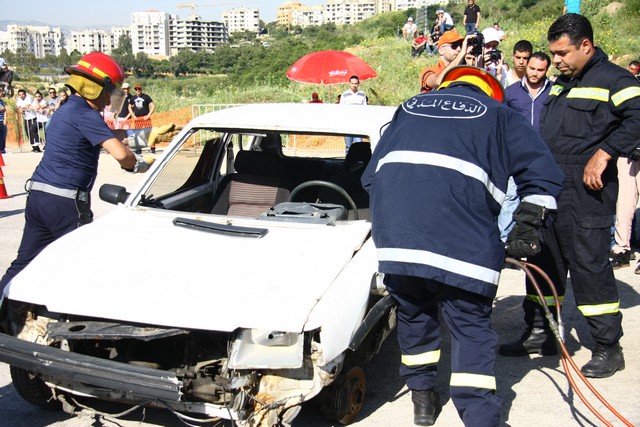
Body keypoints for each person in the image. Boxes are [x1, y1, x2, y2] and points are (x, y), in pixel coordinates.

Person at [362, 65, 563, 427]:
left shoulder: (409, 107)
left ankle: (423, 402)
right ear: (490, 92)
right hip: (463, 242)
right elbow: (543, 174)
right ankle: (481, 419)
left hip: (398, 241)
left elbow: (370, 176)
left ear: (448, 85)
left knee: (414, 314)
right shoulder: (500, 114)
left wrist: (398, 224)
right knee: (470, 328)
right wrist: (528, 225)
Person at [499, 13, 640, 379]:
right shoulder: (562, 84)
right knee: (542, 263)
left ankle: (608, 347)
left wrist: (606, 151)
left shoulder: (614, 79)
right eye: (552, 54)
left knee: (589, 269)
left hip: (586, 193)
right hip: (550, 187)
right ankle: (540, 334)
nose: (555, 61)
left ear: (586, 46)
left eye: (562, 53)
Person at [0, 52, 155, 301]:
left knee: (23, 263)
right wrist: (137, 164)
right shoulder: (87, 115)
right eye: (109, 89)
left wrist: (136, 136)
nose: (110, 97)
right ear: (97, 88)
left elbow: (103, 135)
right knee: (82, 263)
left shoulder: (67, 109)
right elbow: (120, 154)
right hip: (65, 202)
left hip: (39, 196)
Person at [499, 52, 553, 241]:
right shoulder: (511, 92)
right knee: (511, 197)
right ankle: (504, 241)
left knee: (540, 199)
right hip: (516, 155)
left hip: (544, 156)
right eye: (532, 68)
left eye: (540, 70)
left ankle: (535, 241)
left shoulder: (554, 92)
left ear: (547, 70)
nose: (535, 73)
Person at [339, 75, 367, 153]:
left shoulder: (362, 94)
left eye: (356, 83)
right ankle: (347, 163)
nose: (354, 85)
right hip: (348, 123)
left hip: (358, 123)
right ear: (349, 83)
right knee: (348, 146)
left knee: (359, 145)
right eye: (352, 83)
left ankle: (359, 163)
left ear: (358, 84)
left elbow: (365, 109)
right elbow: (341, 110)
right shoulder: (345, 95)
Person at [0, 88, 7, 154]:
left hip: (2, 120)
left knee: (3, 135)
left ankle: (2, 149)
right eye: (1, 92)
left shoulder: (1, 101)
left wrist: (5, 119)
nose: (2, 93)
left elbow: (5, 110)